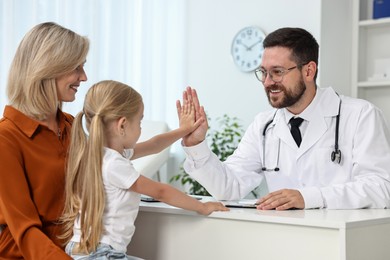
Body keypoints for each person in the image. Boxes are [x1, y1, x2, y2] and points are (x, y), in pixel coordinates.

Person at [180, 27, 390, 210]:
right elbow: (229, 187)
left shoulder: (360, 115)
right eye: (263, 72)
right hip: (285, 239)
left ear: (309, 71)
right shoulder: (263, 125)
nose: (267, 82)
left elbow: (381, 187)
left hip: (341, 243)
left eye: (277, 72)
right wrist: (197, 146)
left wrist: (309, 197)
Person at [60, 80, 228, 259]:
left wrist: (184, 130)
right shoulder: (114, 164)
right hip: (102, 254)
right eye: (140, 121)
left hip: (81, 250)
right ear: (122, 125)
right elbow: (161, 191)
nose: (141, 127)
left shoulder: (98, 155)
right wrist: (202, 207)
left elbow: (154, 145)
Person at [0, 22, 89, 259]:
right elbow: (25, 231)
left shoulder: (69, 126)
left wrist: (186, 138)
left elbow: (109, 157)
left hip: (72, 251)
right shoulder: (5, 139)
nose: (84, 77)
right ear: (48, 68)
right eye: (76, 68)